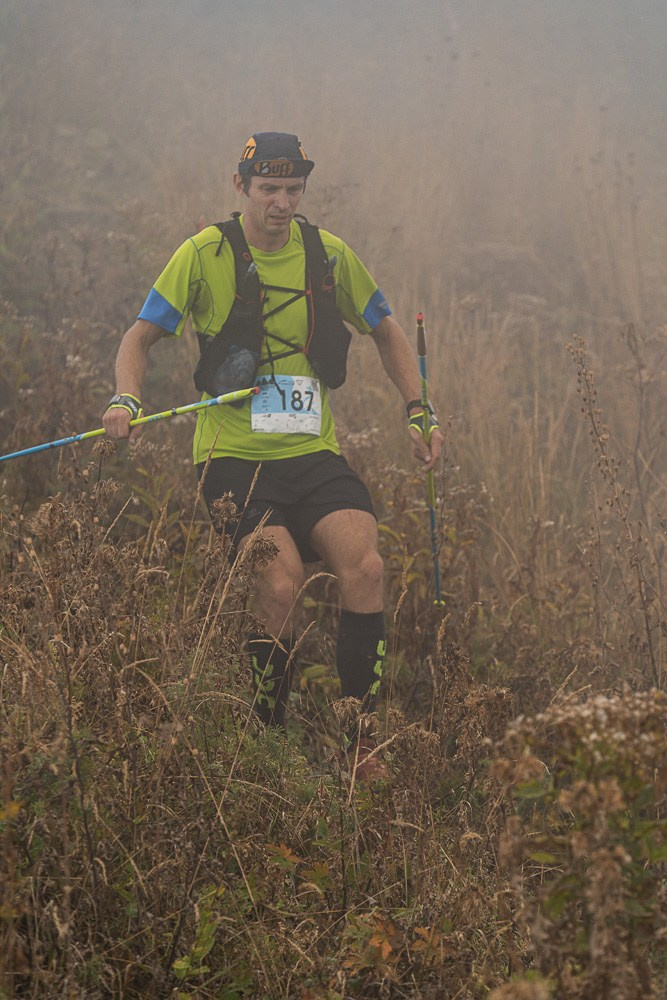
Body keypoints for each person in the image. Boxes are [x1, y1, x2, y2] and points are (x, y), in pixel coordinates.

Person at [103, 132, 443, 778]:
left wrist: (418, 408)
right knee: (281, 584)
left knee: (365, 568)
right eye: (269, 190)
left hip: (312, 450)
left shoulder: (328, 255)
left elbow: (386, 330)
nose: (282, 204)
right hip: (231, 457)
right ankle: (269, 739)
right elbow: (139, 336)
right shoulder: (204, 254)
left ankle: (359, 739)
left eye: (293, 190)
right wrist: (126, 399)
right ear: (242, 188)